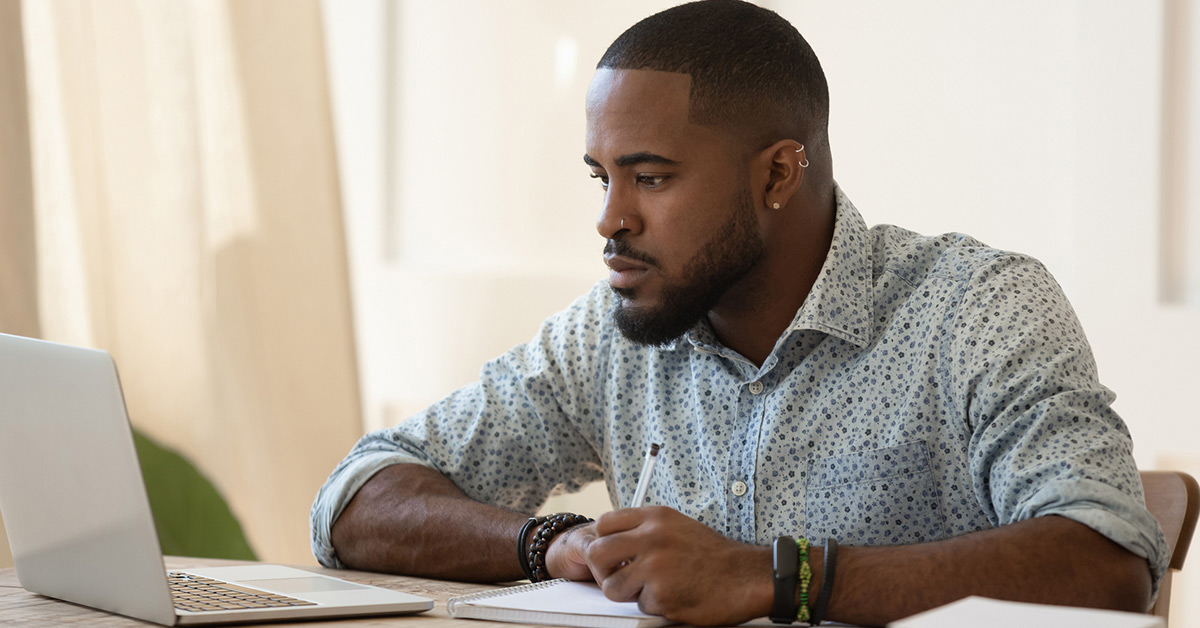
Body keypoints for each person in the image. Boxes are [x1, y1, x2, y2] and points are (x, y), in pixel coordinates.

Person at [311, 1, 1168, 625]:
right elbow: (355, 499)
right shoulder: (609, 333)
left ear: (777, 175)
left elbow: (1106, 561)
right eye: (600, 176)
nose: (611, 218)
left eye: (650, 177)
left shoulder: (977, 309)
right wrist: (554, 545)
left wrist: (780, 577)